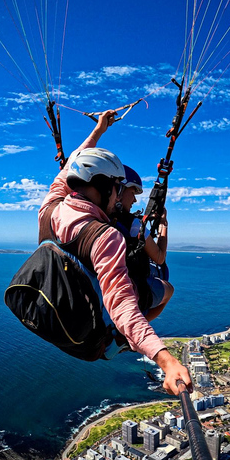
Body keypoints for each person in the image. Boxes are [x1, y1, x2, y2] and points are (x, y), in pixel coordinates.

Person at [38, 109, 191, 396]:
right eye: (117, 187)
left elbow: (71, 165)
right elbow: (121, 304)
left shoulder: (49, 210)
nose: (119, 196)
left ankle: (125, 335)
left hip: (63, 321)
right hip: (98, 338)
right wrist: (166, 360)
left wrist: (98, 131)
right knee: (163, 290)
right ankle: (123, 339)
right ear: (103, 186)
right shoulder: (103, 236)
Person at [114, 166, 174, 321]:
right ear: (119, 191)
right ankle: (135, 327)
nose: (134, 200)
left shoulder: (98, 217)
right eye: (132, 193)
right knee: (169, 289)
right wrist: (163, 225)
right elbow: (159, 257)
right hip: (127, 286)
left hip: (106, 282)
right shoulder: (132, 225)